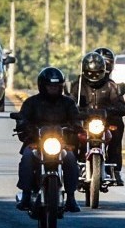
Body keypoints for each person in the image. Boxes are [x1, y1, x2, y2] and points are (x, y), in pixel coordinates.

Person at [15, 67, 82, 212]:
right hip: (36, 142)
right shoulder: (32, 102)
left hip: (60, 144)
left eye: (57, 86)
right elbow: (23, 118)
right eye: (50, 86)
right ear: (42, 86)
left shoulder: (68, 103)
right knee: (27, 157)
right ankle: (26, 195)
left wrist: (76, 126)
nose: (53, 89)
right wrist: (24, 125)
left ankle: (71, 197)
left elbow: (76, 119)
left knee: (70, 159)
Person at [69, 48, 125, 186]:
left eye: (97, 73)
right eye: (90, 73)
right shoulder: (77, 86)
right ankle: (71, 165)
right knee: (69, 132)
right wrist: (76, 111)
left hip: (104, 122)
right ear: (84, 71)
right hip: (83, 122)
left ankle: (115, 169)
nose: (94, 76)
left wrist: (108, 111)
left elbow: (122, 107)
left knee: (117, 126)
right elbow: (68, 102)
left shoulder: (110, 86)